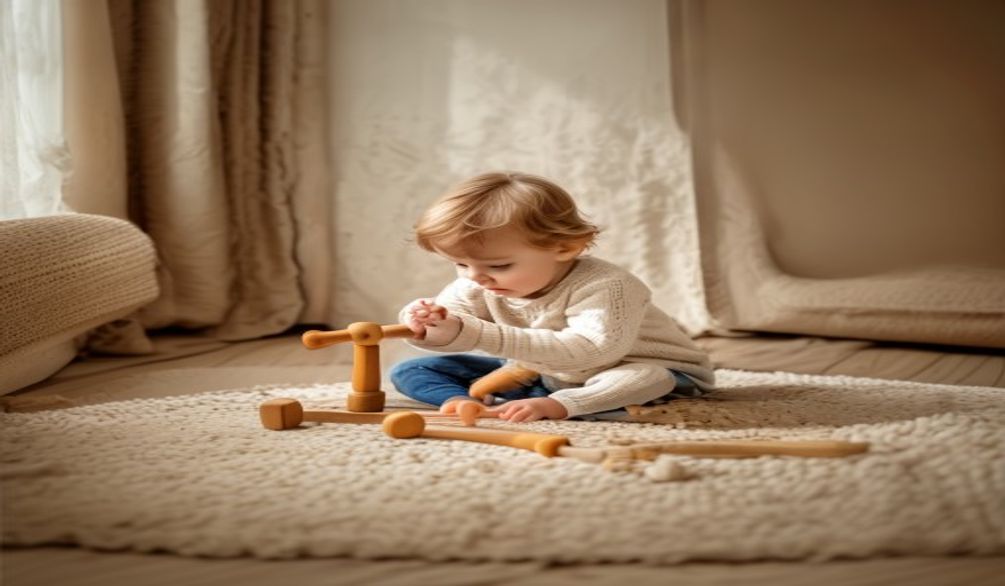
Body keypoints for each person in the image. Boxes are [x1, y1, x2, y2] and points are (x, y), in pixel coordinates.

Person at [390, 171, 714, 423]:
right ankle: (462, 403)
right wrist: (424, 322)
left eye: (499, 265)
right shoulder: (479, 281)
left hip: (643, 370)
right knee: (412, 370)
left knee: (645, 378)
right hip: (544, 372)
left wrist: (471, 332)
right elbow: (452, 326)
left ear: (564, 248)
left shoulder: (610, 286)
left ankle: (563, 406)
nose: (474, 276)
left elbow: (590, 351)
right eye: (460, 264)